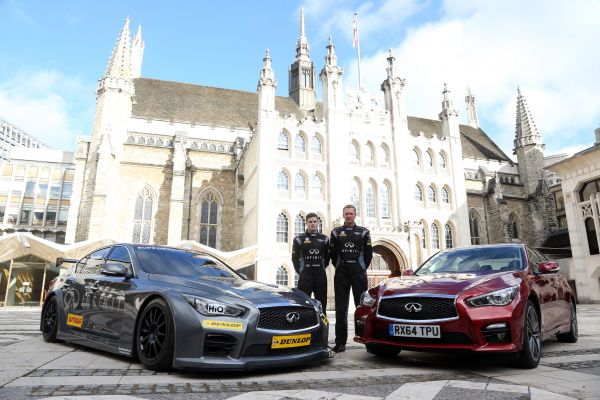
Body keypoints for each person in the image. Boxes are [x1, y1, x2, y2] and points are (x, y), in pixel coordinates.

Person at [329, 204, 372, 353]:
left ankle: (368, 340)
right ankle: (340, 343)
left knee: (363, 308)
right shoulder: (335, 233)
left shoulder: (364, 232)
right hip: (341, 273)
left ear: (355, 215)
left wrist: (360, 268)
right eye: (346, 213)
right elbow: (333, 255)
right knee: (341, 308)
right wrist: (341, 266)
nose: (349, 216)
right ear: (343, 215)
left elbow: (368, 255)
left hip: (358, 273)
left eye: (351, 213)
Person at [291, 212, 330, 310]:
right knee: (303, 304)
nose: (313, 223)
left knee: (321, 304)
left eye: (315, 221)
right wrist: (301, 271)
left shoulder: (325, 239)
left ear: (318, 223)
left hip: (320, 276)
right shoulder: (298, 239)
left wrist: (320, 267)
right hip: (305, 276)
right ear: (306, 223)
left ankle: (322, 325)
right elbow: (295, 258)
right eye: (310, 222)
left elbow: (327, 257)